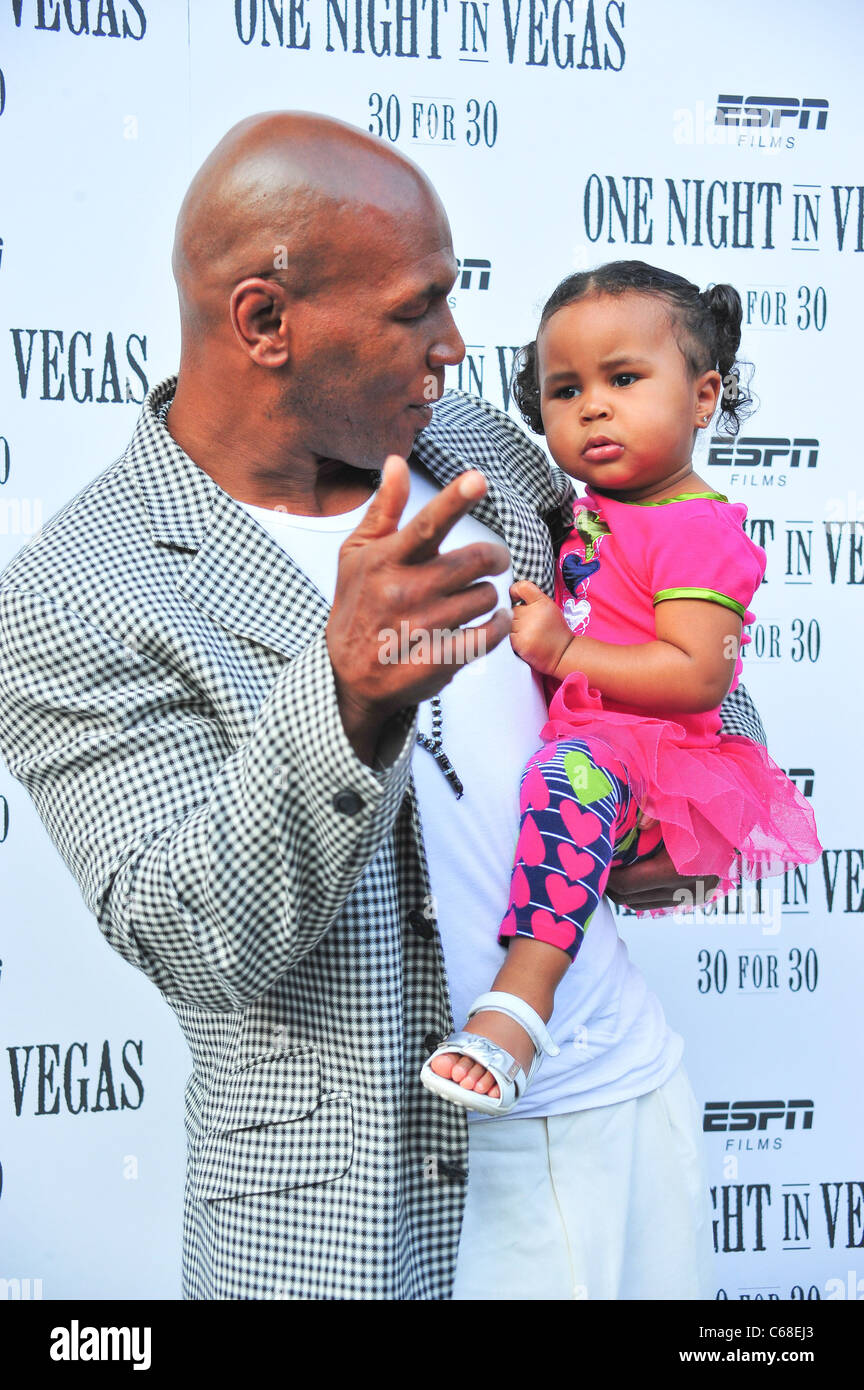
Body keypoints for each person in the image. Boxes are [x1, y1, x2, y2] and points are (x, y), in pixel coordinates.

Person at [0, 116, 767, 1301]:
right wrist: (347, 698)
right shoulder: (76, 590)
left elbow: (660, 613)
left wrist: (689, 803)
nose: (456, 349)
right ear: (265, 322)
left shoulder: (466, 442)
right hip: (358, 1219)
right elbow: (191, 936)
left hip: (620, 1104)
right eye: (418, 311)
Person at [421, 262, 821, 1118]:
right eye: (565, 390)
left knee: (567, 786)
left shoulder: (695, 529)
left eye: (625, 379)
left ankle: (518, 1008)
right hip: (605, 738)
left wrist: (564, 650)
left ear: (704, 396)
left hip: (651, 751)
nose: (593, 406)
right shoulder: (591, 503)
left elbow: (701, 672)